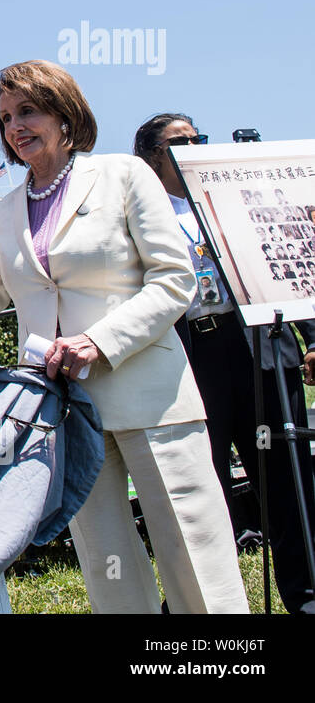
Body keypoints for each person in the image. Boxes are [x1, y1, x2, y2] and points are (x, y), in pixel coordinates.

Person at [0, 62, 247, 613]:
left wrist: (100, 342)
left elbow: (174, 280)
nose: (15, 126)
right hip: (67, 410)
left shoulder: (123, 176)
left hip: (151, 397)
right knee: (106, 561)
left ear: (66, 113)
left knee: (194, 554)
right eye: (5, 118)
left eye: (28, 110)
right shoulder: (5, 212)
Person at [137, 113, 315, 614]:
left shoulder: (232, 196)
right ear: (151, 155)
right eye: (179, 142)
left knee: (287, 482)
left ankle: (306, 598)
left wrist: (313, 338)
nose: (193, 146)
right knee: (199, 488)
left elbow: (285, 260)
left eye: (198, 139)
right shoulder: (139, 210)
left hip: (259, 349)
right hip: (190, 357)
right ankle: (196, 608)